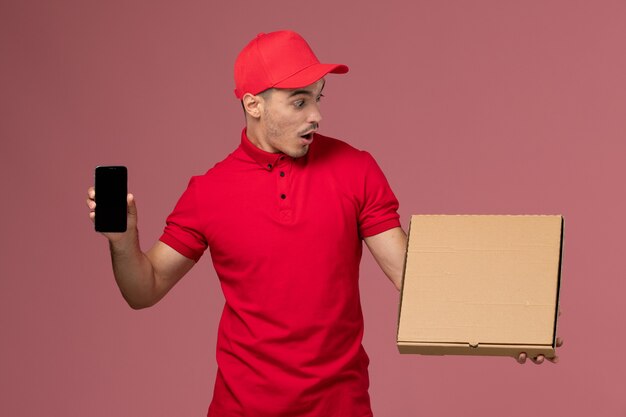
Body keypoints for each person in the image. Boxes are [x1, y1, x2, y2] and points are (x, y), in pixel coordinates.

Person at [87, 30, 559, 417]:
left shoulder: (356, 168)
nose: (316, 115)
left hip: (342, 407)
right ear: (254, 104)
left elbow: (414, 279)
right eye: (298, 102)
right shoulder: (207, 192)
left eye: (318, 98)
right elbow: (142, 290)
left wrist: (513, 326)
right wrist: (123, 241)